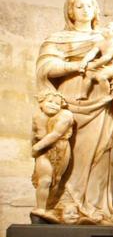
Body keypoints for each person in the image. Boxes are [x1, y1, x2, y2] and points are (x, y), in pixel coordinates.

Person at [34, 0, 113, 224]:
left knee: (98, 156)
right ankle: (64, 205)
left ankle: (94, 206)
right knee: (66, 152)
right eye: (79, 6)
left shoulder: (106, 38)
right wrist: (75, 67)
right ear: (70, 11)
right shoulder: (57, 39)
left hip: (102, 107)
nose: (85, 9)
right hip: (69, 102)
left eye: (90, 5)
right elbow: (45, 67)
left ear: (96, 10)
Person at [30, 91, 75, 222]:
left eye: (57, 103)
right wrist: (34, 147)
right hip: (44, 151)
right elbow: (33, 134)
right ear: (41, 103)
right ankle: (40, 208)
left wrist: (37, 147)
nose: (54, 105)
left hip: (61, 148)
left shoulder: (66, 115)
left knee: (56, 180)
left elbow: (56, 134)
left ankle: (48, 207)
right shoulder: (37, 116)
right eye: (50, 101)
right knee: (45, 180)